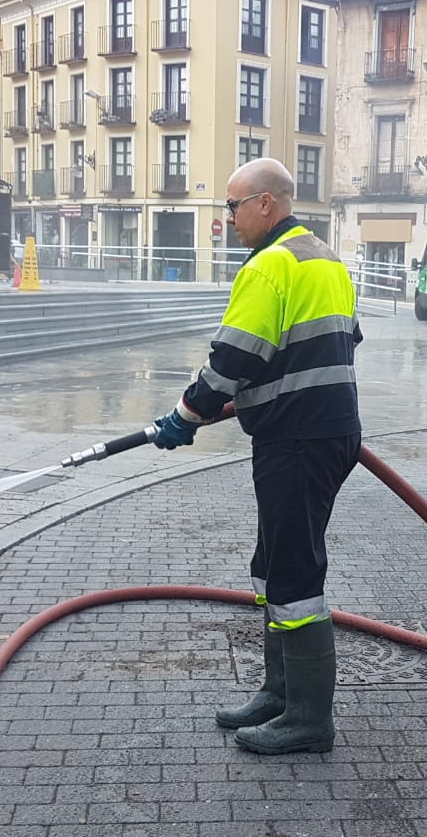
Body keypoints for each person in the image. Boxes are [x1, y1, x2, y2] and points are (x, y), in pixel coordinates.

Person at [149, 157, 362, 756]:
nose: (229, 218)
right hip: (323, 432)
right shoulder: (325, 259)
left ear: (266, 204)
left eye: (233, 205)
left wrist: (185, 418)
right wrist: (253, 403)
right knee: (273, 563)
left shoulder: (270, 265)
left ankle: (309, 718)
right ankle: (279, 692)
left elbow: (234, 358)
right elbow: (330, 346)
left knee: (294, 575)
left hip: (296, 439)